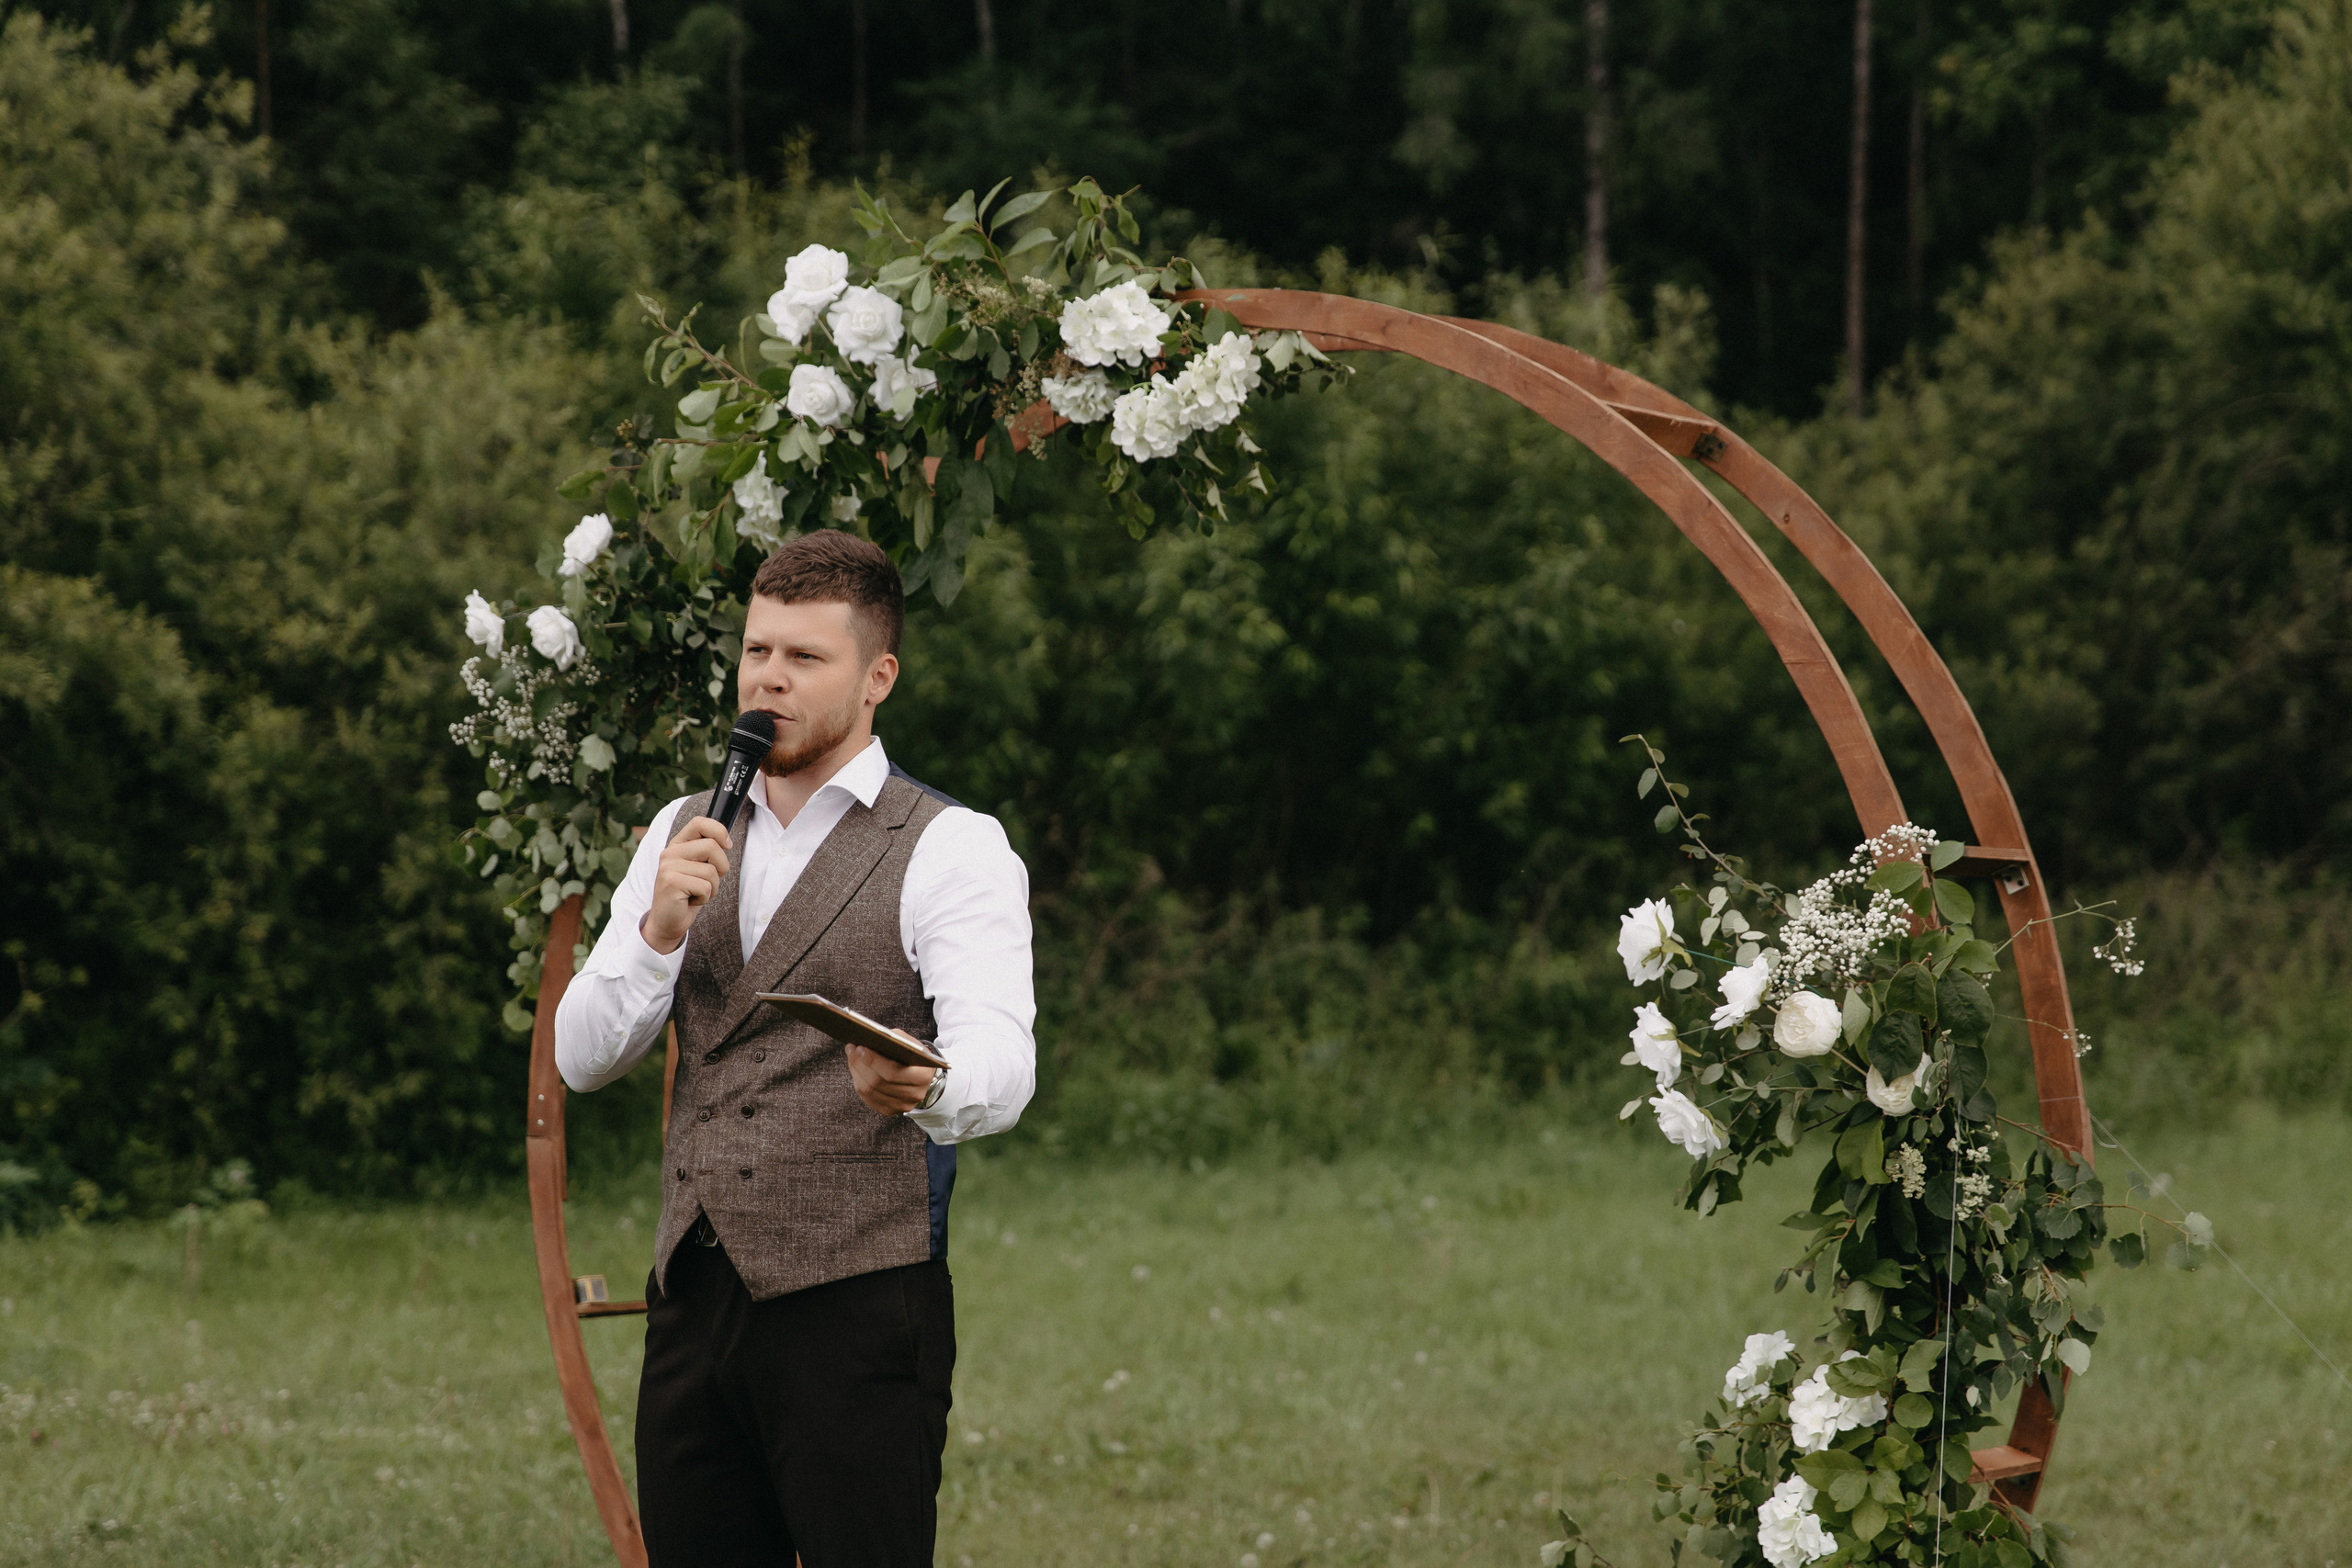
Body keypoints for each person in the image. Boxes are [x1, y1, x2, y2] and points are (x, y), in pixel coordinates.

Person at [553, 528, 1035, 1568]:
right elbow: (581, 1057)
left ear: (878, 678)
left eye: (804, 658)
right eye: (758, 652)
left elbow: (1001, 1055)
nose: (768, 680)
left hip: (859, 1303)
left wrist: (929, 1085)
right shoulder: (680, 830)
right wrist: (654, 936)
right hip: (693, 1301)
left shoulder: (951, 846)